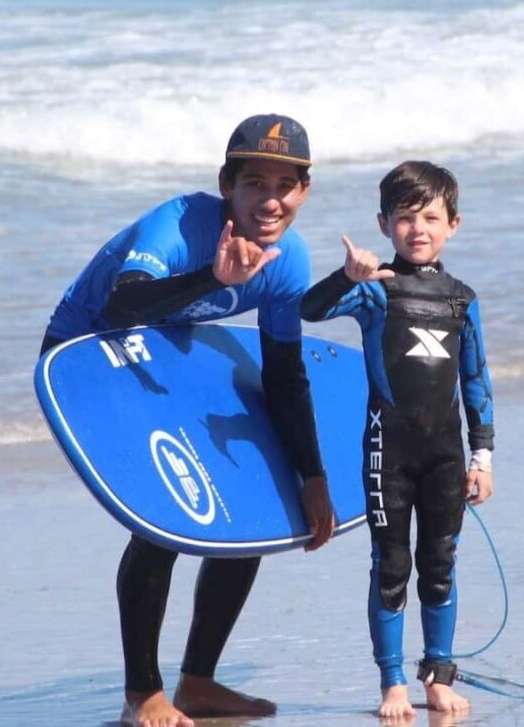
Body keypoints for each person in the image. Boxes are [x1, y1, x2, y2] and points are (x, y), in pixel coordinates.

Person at [40, 114, 335, 727]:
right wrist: (213, 278)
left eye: (285, 184)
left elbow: (284, 371)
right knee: (163, 516)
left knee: (244, 498)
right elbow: (124, 304)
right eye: (255, 182)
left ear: (304, 193)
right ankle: (141, 695)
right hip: (87, 350)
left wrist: (311, 474)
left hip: (168, 351)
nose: (270, 198)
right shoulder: (178, 224)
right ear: (228, 185)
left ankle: (198, 681)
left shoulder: (289, 261)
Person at [300, 160, 495, 718]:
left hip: (445, 456)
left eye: (431, 217)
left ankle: (438, 675)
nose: (419, 229)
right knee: (391, 564)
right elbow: (308, 310)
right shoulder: (374, 292)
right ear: (384, 223)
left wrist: (482, 456)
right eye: (405, 218)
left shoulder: (462, 298)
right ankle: (391, 683)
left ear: (453, 224)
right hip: (389, 453)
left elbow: (476, 380)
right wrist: (348, 277)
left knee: (440, 562)